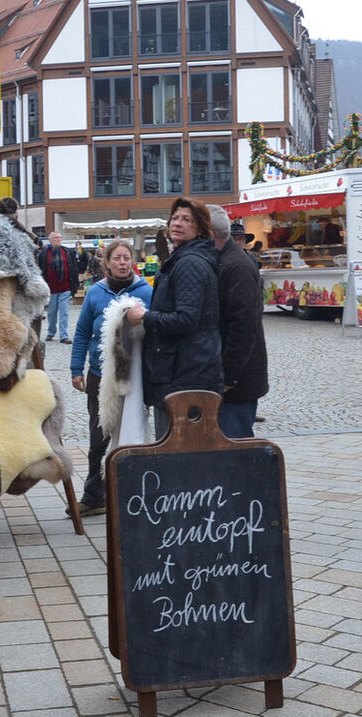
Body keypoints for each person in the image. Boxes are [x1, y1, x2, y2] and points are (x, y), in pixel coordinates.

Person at [124, 197, 222, 440]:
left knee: (175, 448)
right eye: (175, 218)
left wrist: (145, 317)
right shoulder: (182, 259)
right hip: (180, 369)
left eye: (186, 220)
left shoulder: (189, 263)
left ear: (199, 228)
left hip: (185, 374)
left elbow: (185, 319)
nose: (177, 223)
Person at [69, 239, 152, 516]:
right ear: (107, 263)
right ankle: (94, 497)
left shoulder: (145, 292)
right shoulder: (95, 293)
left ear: (132, 262)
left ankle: (133, 493)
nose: (122, 263)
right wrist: (75, 369)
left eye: (126, 258)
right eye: (116, 258)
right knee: (98, 436)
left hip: (134, 378)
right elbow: (81, 333)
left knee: (132, 433)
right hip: (99, 376)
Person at [209, 206, 269, 438]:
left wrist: (229, 375)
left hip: (236, 383)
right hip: (231, 379)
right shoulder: (224, 260)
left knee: (235, 448)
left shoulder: (238, 265)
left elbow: (243, 325)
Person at [38, 231, 78, 344]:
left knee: (64, 312)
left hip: (65, 287)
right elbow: (41, 271)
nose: (58, 240)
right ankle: (51, 332)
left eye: (60, 238)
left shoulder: (67, 252)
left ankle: (63, 335)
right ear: (50, 240)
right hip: (51, 289)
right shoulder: (44, 254)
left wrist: (75, 284)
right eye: (55, 238)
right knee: (51, 312)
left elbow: (74, 268)